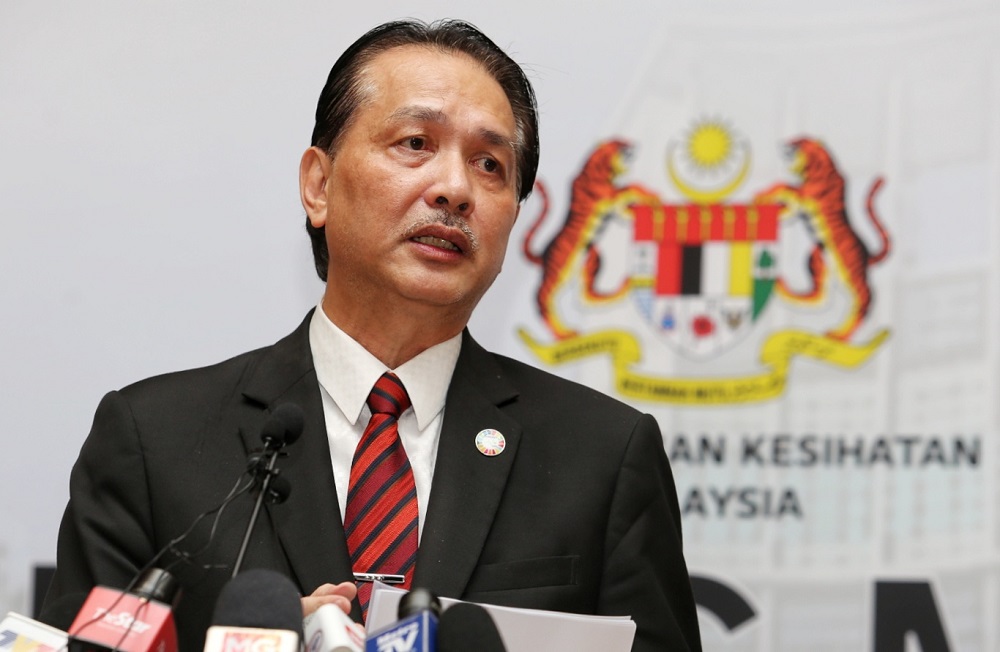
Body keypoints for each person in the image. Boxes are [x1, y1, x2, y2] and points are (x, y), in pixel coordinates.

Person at [41, 19, 702, 652]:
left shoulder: (603, 458)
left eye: (491, 166)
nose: (454, 189)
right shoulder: (155, 443)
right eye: (415, 143)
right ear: (318, 185)